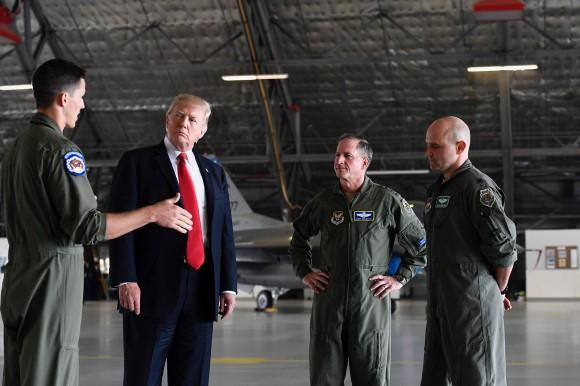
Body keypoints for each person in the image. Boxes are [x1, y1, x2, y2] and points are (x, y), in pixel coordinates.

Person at [0, 59, 193, 386]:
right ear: (63, 98)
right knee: (51, 375)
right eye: (81, 96)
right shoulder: (60, 150)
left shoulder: (17, 149)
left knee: (20, 375)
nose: (83, 105)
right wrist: (152, 213)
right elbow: (86, 226)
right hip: (52, 280)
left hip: (18, 278)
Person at [108, 94, 237, 386]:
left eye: (193, 120)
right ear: (166, 119)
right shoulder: (136, 163)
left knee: (193, 377)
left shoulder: (213, 172)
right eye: (178, 115)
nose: (184, 123)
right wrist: (126, 278)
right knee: (143, 376)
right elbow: (119, 223)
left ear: (202, 130)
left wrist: (228, 285)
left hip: (203, 287)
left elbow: (223, 233)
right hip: (150, 289)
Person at [289, 133, 427, 386]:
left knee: (372, 377)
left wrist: (400, 278)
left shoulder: (387, 200)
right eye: (337, 155)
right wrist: (305, 272)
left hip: (370, 305)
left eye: (347, 156)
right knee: (324, 378)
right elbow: (297, 238)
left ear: (364, 162)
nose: (339, 160)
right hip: (329, 306)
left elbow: (421, 245)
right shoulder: (323, 202)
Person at [420, 116, 517, 386]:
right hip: (441, 301)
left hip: (471, 304)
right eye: (427, 145)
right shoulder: (437, 189)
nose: (428, 153)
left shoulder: (476, 188)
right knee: (435, 376)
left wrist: (496, 292)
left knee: (477, 376)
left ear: (460, 146)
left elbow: (505, 248)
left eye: (436, 146)